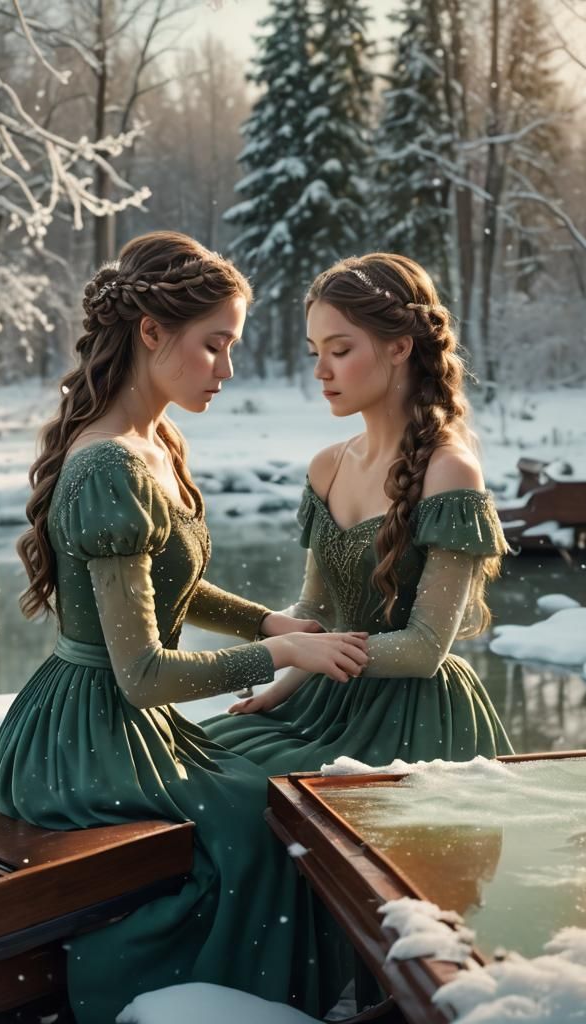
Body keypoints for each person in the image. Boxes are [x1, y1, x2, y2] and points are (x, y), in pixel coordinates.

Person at [0, 231, 367, 1022]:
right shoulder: (109, 467)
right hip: (80, 740)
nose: (227, 370)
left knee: (293, 790)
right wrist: (280, 650)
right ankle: (167, 997)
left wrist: (265, 618)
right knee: (258, 822)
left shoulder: (157, 440)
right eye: (214, 346)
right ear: (151, 332)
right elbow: (145, 674)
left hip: (115, 721)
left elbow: (172, 583)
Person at [203, 253, 513, 770]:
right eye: (315, 353)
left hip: (411, 717)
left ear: (400, 347)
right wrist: (279, 684)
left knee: (252, 794)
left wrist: (311, 658)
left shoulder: (450, 471)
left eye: (340, 350)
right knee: (190, 764)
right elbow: (318, 615)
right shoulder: (327, 466)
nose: (322, 371)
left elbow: (424, 648)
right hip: (322, 700)